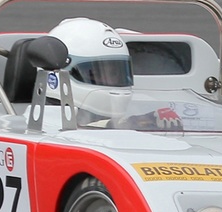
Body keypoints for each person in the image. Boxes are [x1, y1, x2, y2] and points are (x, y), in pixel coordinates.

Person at [44, 17, 181, 131]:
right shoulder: (36, 119)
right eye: (96, 73)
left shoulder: (137, 111)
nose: (110, 80)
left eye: (116, 72)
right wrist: (125, 125)